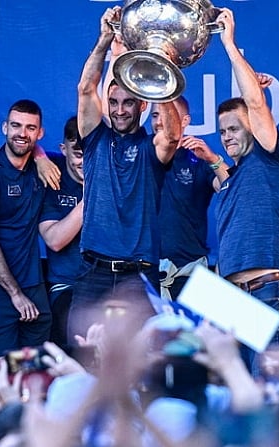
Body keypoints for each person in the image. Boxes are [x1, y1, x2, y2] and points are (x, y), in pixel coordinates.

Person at [68, 5, 182, 339]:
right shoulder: (94, 139)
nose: (119, 110)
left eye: (128, 102)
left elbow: (172, 135)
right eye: (114, 102)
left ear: (142, 103)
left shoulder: (151, 149)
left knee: (139, 368)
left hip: (137, 276)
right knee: (84, 358)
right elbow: (86, 89)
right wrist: (105, 39)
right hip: (93, 272)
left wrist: (155, 74)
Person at [212, 8, 279, 347]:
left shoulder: (269, 157)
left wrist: (229, 45)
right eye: (221, 131)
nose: (226, 136)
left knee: (267, 394)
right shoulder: (232, 178)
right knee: (241, 395)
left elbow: (255, 104)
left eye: (234, 128)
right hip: (233, 299)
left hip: (269, 290)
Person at [0, 99, 51, 369]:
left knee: (34, 376)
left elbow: (78, 154)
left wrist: (41, 156)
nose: (21, 133)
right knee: (9, 379)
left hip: (33, 289)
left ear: (40, 133)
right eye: (15, 125)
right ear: (4, 127)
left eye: (30, 128)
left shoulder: (43, 169)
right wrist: (15, 294)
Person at [155, 96, 228, 300]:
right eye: (154, 115)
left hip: (190, 273)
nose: (160, 121)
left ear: (185, 121)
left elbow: (233, 190)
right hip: (146, 273)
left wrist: (213, 159)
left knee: (195, 333)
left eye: (166, 114)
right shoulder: (142, 154)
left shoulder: (198, 160)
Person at [39, 117, 84, 348]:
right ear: (63, 149)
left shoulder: (115, 178)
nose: (85, 162)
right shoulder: (53, 178)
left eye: (91, 154)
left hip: (107, 285)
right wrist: (92, 195)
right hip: (67, 286)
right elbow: (54, 240)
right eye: (78, 153)